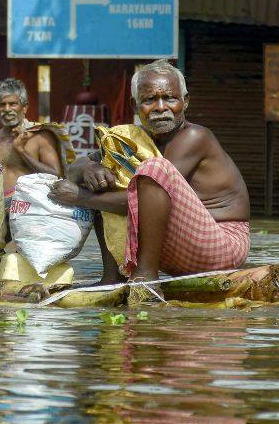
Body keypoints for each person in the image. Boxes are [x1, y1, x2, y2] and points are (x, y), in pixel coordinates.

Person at [48, 60, 251, 303]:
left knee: (154, 169)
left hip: (221, 245)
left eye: (170, 99)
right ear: (135, 105)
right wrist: (91, 168)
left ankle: (147, 278)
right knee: (107, 171)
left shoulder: (195, 137)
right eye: (149, 100)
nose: (160, 107)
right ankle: (113, 277)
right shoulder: (132, 138)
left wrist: (82, 198)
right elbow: (76, 168)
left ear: (185, 102)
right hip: (177, 246)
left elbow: (143, 195)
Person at [0, 78, 65, 199]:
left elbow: (55, 175)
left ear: (24, 107)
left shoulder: (41, 137)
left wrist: (21, 151)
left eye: (13, 104)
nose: (7, 109)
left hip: (29, 209)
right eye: (2, 104)